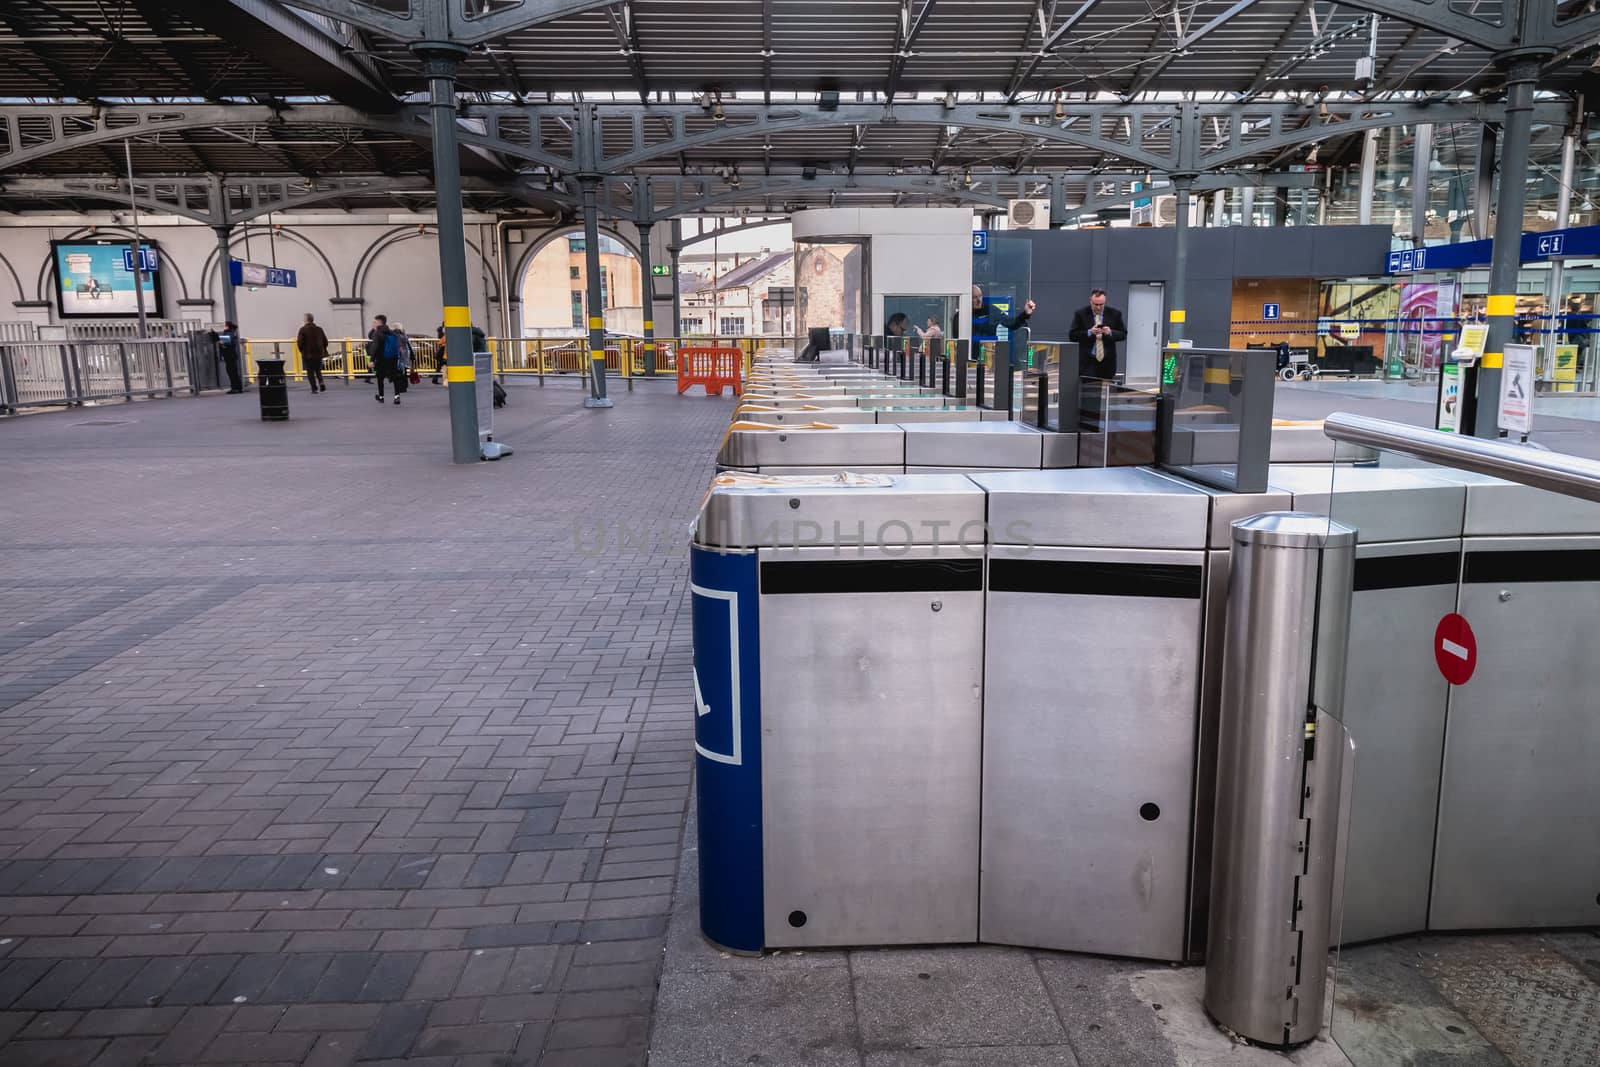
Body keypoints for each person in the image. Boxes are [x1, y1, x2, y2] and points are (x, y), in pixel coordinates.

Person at [1068, 288, 1128, 380]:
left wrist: (1110, 332)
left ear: (1105, 301)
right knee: (1089, 390)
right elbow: (1072, 335)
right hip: (1088, 361)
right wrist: (1089, 332)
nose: (1098, 307)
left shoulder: (1115, 314)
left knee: (1105, 390)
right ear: (1090, 301)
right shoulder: (1081, 314)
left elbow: (1123, 334)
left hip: (1107, 362)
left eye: (1101, 304)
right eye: (1096, 304)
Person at [971, 285, 1036, 339]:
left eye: (980, 296)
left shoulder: (990, 310)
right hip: (967, 350)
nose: (979, 300)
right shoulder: (963, 312)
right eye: (975, 297)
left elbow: (1012, 323)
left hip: (987, 350)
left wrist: (1025, 314)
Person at [368, 314, 401, 404]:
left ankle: (381, 396)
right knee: (395, 377)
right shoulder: (391, 332)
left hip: (381, 358)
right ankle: (397, 396)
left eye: (374, 322)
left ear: (379, 323)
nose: (373, 324)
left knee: (380, 378)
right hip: (393, 357)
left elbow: (375, 347)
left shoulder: (377, 333)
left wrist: (371, 360)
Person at [296, 313, 329, 393]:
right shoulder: (319, 329)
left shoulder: (303, 330)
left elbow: (300, 343)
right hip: (318, 354)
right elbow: (325, 341)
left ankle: (314, 388)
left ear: (306, 320)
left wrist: (302, 351)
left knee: (310, 372)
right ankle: (321, 382)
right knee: (318, 370)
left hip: (308, 354)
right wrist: (322, 349)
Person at [215, 321, 244, 394]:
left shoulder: (228, 333)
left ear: (227, 326)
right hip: (231, 355)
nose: (223, 327)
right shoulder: (231, 332)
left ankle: (235, 388)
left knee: (231, 372)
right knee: (233, 372)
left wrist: (219, 342)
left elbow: (225, 344)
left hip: (229, 355)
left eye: (224, 325)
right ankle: (237, 387)